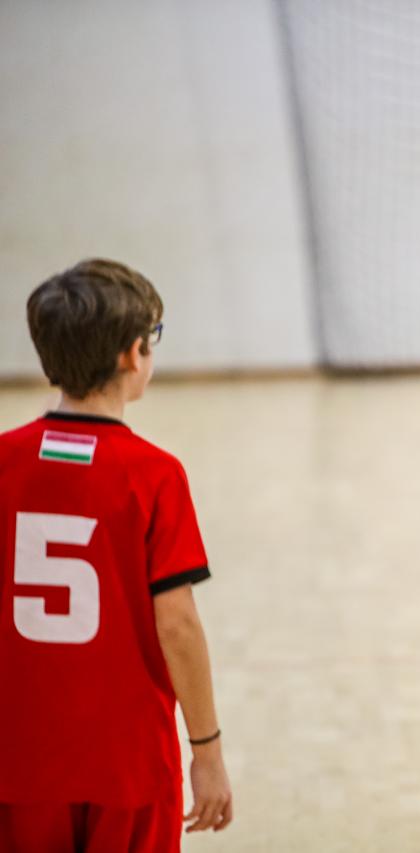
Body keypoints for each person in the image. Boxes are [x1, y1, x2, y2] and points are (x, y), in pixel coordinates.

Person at [0, 259, 233, 851]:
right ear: (134, 354)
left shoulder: (4, 462)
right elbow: (177, 625)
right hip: (128, 761)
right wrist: (206, 750)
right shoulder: (154, 475)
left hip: (18, 754)